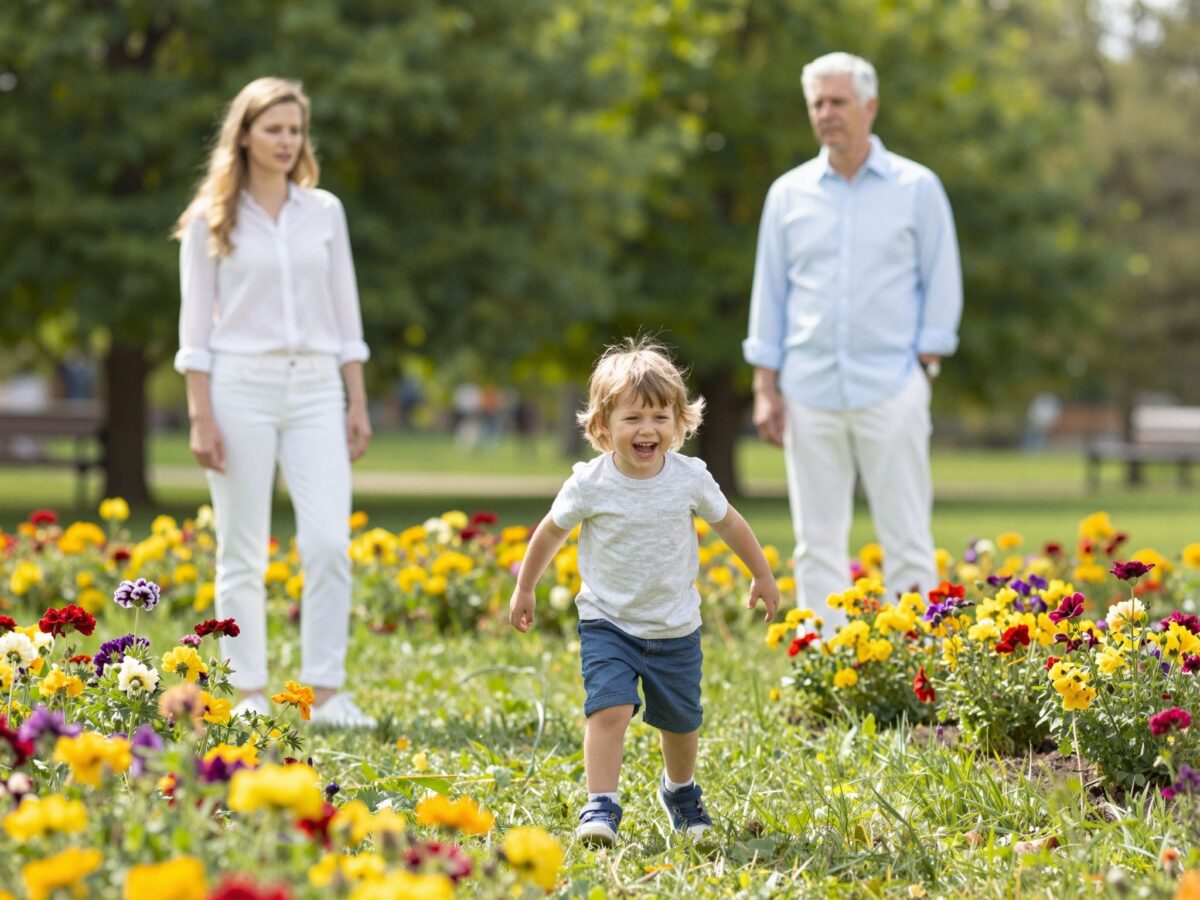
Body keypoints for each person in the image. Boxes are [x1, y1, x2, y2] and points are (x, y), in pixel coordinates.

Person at [508, 338, 780, 844]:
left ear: (679, 424)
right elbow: (550, 531)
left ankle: (679, 790)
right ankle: (601, 806)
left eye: (659, 417)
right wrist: (526, 586)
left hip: (675, 625)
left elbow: (731, 524)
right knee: (608, 708)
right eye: (632, 418)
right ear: (603, 427)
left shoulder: (689, 478)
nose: (647, 429)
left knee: (680, 722)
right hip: (606, 621)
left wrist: (761, 573)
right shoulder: (590, 483)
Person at [174, 77, 375, 727]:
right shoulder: (212, 215)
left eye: (296, 130)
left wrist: (357, 400)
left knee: (327, 544)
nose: (288, 141)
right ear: (244, 134)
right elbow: (194, 330)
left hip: (318, 386)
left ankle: (326, 693)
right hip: (239, 389)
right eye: (274, 129)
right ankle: (250, 691)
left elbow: (347, 315)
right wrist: (200, 413)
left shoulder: (326, 212)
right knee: (242, 551)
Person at [743, 52, 962, 632]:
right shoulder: (787, 194)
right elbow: (769, 295)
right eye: (817, 102)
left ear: (870, 106)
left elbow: (942, 284)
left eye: (838, 101)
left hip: (893, 387)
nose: (826, 113)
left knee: (908, 536)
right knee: (815, 542)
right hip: (808, 391)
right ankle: (827, 664)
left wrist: (923, 367)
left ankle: (917, 668)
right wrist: (766, 387)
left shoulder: (918, 188)